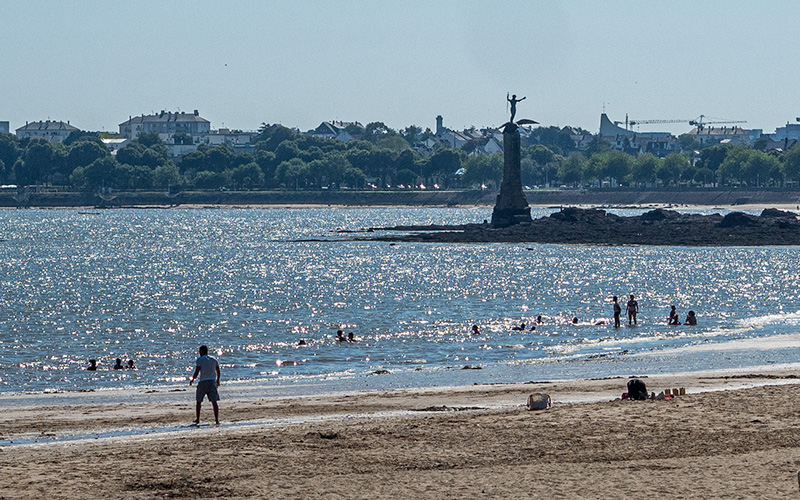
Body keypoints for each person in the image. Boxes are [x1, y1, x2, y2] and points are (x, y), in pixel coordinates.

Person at [189, 345, 220, 425]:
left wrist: (192, 379)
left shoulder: (200, 360)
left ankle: (198, 419)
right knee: (214, 402)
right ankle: (216, 419)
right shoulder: (213, 359)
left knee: (199, 401)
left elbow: (197, 371)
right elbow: (218, 370)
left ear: (202, 351)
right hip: (212, 382)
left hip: (203, 382)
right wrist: (217, 380)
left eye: (200, 351)